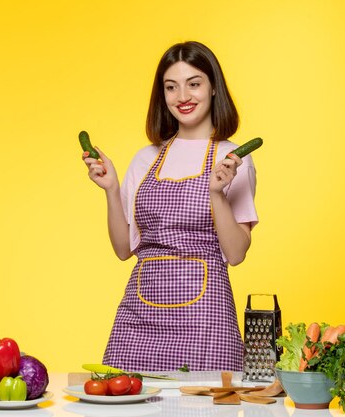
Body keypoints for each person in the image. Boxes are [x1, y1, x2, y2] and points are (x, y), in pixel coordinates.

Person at [82, 41, 258, 372]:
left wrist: (217, 193)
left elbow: (235, 254)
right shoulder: (145, 158)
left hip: (205, 321)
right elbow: (123, 250)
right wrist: (111, 189)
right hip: (139, 318)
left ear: (213, 88)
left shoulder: (233, 159)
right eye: (171, 87)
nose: (183, 97)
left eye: (194, 83)